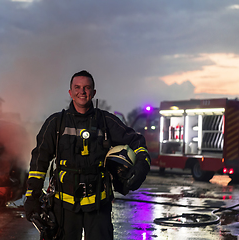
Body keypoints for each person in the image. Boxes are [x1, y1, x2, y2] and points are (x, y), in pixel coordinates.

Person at [24, 70, 151, 240]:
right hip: (64, 208)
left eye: (87, 88)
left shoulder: (106, 121)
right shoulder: (56, 123)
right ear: (70, 92)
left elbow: (136, 141)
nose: (82, 92)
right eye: (77, 87)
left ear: (93, 92)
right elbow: (39, 161)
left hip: (99, 207)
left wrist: (141, 165)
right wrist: (32, 196)